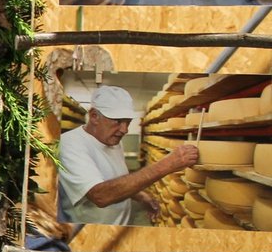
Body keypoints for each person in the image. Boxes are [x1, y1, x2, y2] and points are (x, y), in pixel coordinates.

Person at [58, 85, 198, 225]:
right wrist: (168, 164)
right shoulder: (70, 144)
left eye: (128, 122)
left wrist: (141, 196)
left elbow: (116, 181)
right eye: (117, 121)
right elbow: (100, 195)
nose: (124, 130)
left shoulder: (112, 140)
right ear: (94, 116)